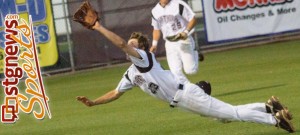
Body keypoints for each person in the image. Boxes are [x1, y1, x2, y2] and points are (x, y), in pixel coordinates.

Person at [76, 20, 295, 133]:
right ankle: (269, 107)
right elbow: (116, 92)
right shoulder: (131, 73)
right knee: (224, 116)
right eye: (130, 45)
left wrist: (98, 27)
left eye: (133, 45)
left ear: (140, 49)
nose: (129, 47)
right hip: (182, 101)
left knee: (231, 114)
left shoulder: (143, 58)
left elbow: (122, 44)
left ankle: (274, 119)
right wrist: (94, 103)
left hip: (186, 95)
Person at [150, 0, 204, 86]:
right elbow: (156, 29)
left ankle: (195, 53)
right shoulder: (155, 11)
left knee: (191, 70)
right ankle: (189, 90)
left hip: (183, 39)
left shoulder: (178, 4)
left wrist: (186, 32)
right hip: (169, 42)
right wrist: (154, 44)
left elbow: (193, 19)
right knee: (175, 72)